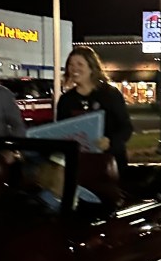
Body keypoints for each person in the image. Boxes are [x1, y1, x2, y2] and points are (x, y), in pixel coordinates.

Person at [57, 46, 133, 175]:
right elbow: (60, 131)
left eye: (80, 64)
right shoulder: (66, 100)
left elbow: (126, 128)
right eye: (71, 64)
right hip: (78, 165)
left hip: (110, 165)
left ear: (92, 68)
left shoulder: (110, 94)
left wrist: (110, 142)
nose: (74, 68)